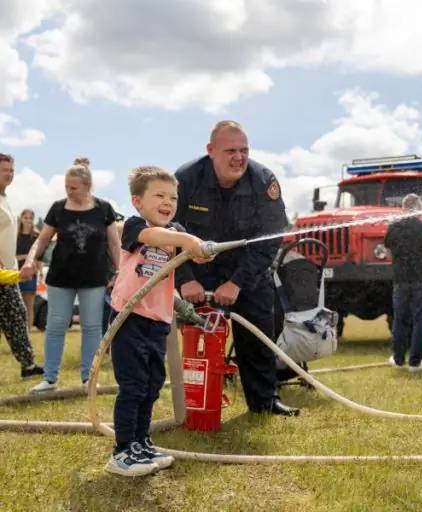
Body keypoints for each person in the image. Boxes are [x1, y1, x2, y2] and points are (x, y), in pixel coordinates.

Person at [173, 120, 298, 416]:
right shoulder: (185, 179)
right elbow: (169, 232)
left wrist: (237, 283)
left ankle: (265, 401)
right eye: (230, 150)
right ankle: (196, 406)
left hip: (248, 272)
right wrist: (185, 279)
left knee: (257, 339)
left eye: (244, 150)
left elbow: (269, 241)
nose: (238, 157)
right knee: (198, 343)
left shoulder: (263, 180)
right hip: (198, 273)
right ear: (210, 151)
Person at [105, 166, 210, 476]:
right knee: (133, 386)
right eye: (160, 196)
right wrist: (188, 239)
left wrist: (201, 250)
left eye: (173, 197)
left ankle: (141, 442)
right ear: (137, 201)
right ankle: (122, 452)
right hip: (130, 318)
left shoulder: (175, 230)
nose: (168, 202)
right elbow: (156, 236)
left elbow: (191, 251)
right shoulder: (135, 226)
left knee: (151, 385)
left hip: (158, 321)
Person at [22, 163, 121, 392]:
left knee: (92, 326)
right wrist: (30, 260)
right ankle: (49, 379)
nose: (69, 191)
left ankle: (89, 378)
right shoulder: (58, 208)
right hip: (61, 277)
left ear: (88, 186)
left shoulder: (104, 209)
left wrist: (120, 271)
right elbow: (42, 239)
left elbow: (114, 244)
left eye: (74, 187)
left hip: (94, 277)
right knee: (56, 325)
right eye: (66, 187)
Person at [384, 193, 422, 371]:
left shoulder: (393, 228)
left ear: (403, 208)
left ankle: (398, 359)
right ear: (418, 208)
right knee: (420, 321)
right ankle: (415, 362)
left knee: (400, 319)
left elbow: (388, 254)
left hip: (401, 280)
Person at [0, 153, 44, 380]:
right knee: (14, 314)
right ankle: (27, 364)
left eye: (11, 170)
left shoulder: (5, 199)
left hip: (8, 272)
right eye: (4, 170)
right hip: (2, 272)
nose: (9, 174)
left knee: (17, 315)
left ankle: (28, 365)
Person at [16, 208, 39, 329]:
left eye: (30, 218)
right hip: (15, 273)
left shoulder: (36, 236)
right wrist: (26, 256)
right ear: (21, 219)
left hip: (31, 275)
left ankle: (27, 332)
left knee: (29, 306)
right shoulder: (15, 236)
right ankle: (17, 330)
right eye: (26, 218)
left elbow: (39, 258)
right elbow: (12, 256)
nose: (28, 220)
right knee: (16, 306)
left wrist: (38, 270)